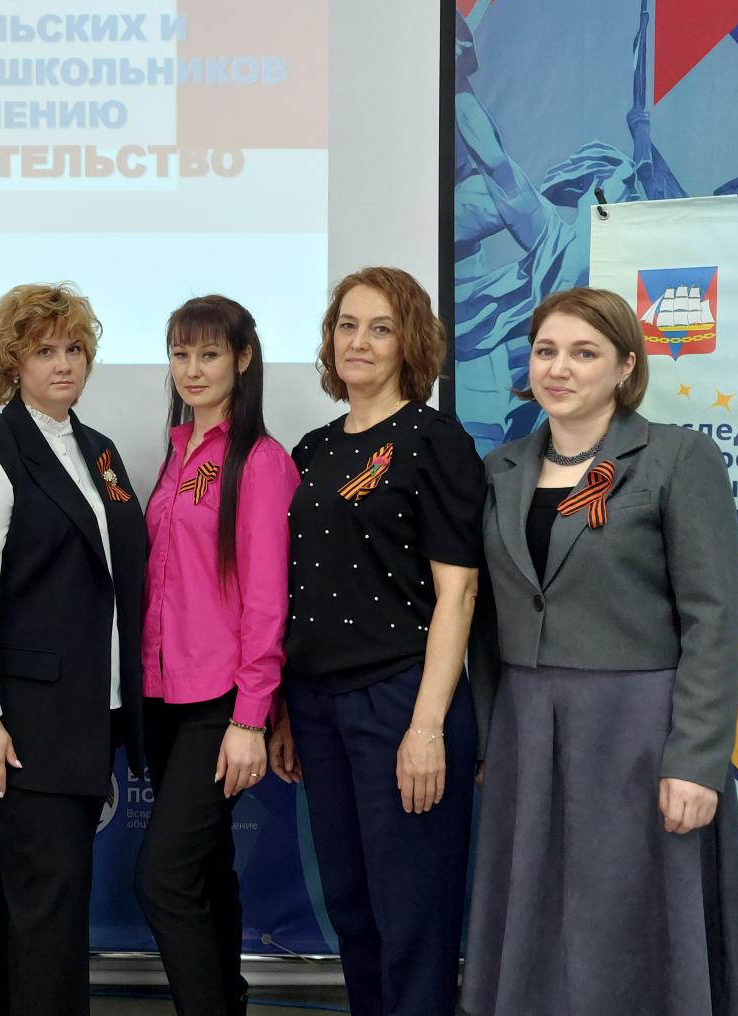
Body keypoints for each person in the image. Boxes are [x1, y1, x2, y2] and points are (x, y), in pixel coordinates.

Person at [461, 287, 738, 1016]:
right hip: (527, 728)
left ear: (626, 366)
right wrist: (491, 736)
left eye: (583, 352)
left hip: (639, 733)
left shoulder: (676, 458)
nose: (558, 368)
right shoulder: (500, 469)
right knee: (535, 916)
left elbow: (713, 619)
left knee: (631, 920)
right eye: (545, 351)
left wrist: (696, 761)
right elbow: (485, 622)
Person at [0, 282, 148, 1016]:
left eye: (74, 348)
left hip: (88, 717)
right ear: (11, 363)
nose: (63, 364)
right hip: (22, 725)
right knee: (51, 910)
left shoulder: (97, 450)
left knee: (30, 904)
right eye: (44, 350)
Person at [273, 266, 484, 1016]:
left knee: (412, 917)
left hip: (401, 700)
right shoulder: (311, 449)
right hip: (317, 705)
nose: (358, 341)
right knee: (352, 909)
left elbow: (459, 593)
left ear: (409, 344)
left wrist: (427, 727)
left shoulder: (435, 441)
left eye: (380, 328)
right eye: (347, 325)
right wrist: (286, 710)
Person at [133, 296, 300, 1016]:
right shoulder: (177, 454)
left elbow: (267, 600)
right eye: (181, 354)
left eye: (209, 354)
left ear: (243, 358)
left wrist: (250, 716)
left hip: (221, 703)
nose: (193, 369)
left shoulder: (260, 462)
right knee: (204, 869)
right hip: (164, 696)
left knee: (163, 878)